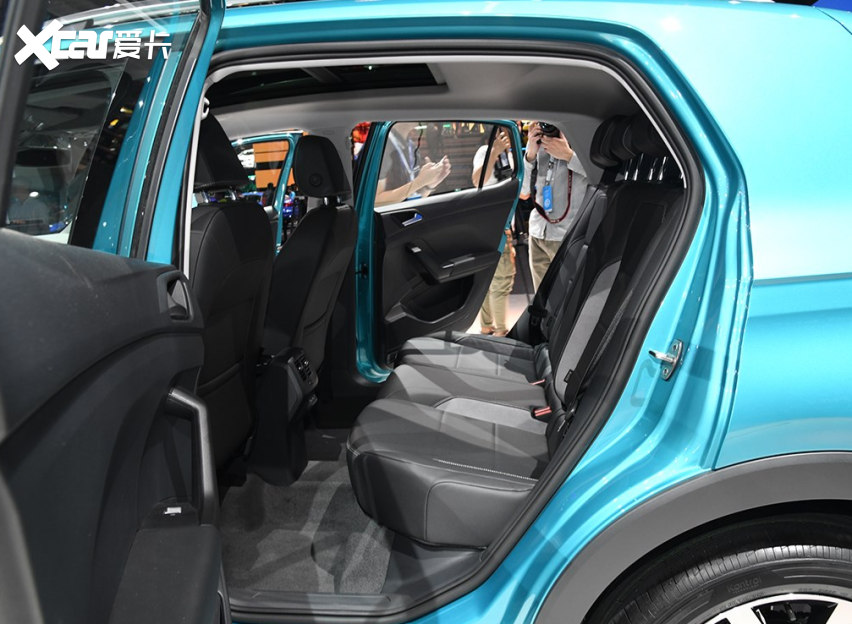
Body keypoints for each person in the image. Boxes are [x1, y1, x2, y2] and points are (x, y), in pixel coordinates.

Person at [521, 122, 590, 290]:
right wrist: (530, 155)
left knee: (567, 298)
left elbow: (601, 176)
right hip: (538, 233)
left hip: (566, 236)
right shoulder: (538, 145)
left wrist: (568, 156)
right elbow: (523, 192)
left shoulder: (583, 140)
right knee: (541, 297)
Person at [472, 128, 516, 336]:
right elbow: (477, 180)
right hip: (495, 225)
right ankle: (500, 331)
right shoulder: (485, 151)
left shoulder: (510, 155)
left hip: (494, 224)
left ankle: (487, 326)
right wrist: (494, 152)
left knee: (489, 280)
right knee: (501, 281)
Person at [375, 122, 451, 207]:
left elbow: (413, 196)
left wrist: (429, 185)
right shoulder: (382, 145)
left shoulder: (412, 147)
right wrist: (419, 182)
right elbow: (376, 202)